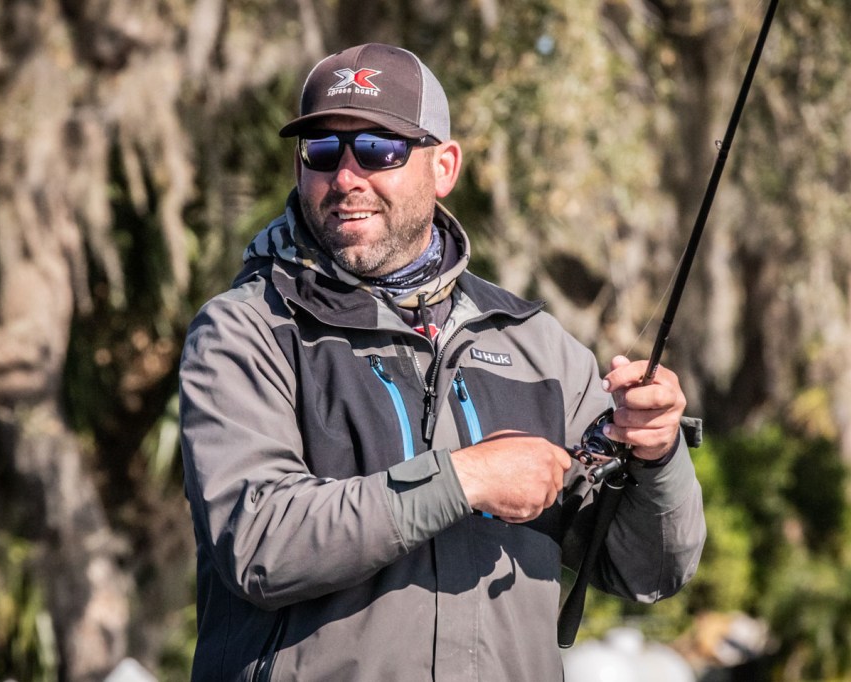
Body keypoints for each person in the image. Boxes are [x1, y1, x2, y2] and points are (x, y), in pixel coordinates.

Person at [179, 42, 706, 681]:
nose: (346, 177)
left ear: (444, 166)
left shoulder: (537, 345)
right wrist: (461, 479)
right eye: (323, 150)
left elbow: (650, 570)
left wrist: (657, 454)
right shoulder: (243, 331)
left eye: (378, 148)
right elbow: (260, 542)